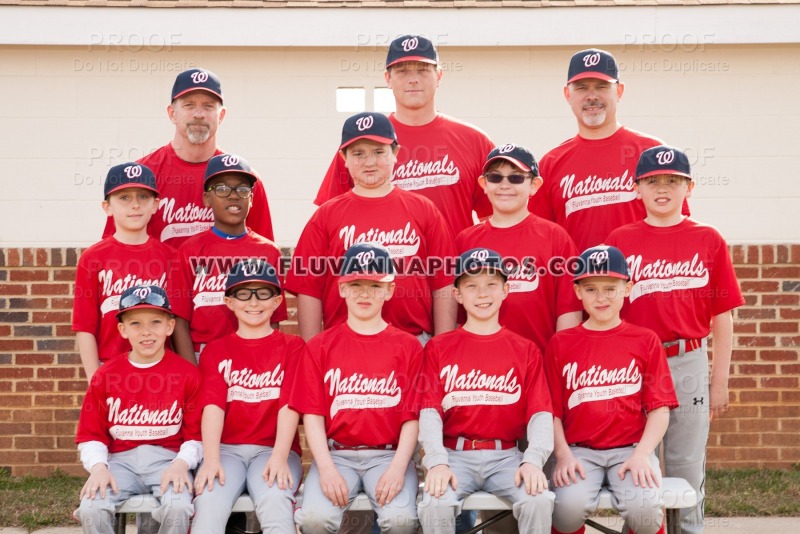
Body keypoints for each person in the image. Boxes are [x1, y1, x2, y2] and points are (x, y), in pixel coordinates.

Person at [606, 146, 745, 534]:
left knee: (685, 461)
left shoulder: (707, 238)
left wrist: (719, 381)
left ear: (689, 187)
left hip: (687, 359)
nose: (662, 188)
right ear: (636, 189)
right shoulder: (620, 239)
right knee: (638, 455)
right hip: (633, 364)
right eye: (652, 181)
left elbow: (722, 316)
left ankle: (689, 530)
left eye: (672, 181)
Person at [285, 111, 456, 343]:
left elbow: (443, 281)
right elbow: (309, 288)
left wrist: (441, 347)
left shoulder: (424, 209)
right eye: (358, 153)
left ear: (395, 153)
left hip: (415, 341)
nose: (369, 162)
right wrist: (313, 350)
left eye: (378, 152)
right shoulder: (326, 215)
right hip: (345, 342)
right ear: (343, 157)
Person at [417, 247, 555, 534]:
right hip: (454, 456)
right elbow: (429, 412)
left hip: (506, 457)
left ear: (505, 290)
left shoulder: (525, 349)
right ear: (457, 295)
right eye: (471, 286)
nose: (482, 294)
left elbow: (541, 414)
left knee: (539, 500)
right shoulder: (439, 347)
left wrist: (532, 460)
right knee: (435, 503)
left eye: (491, 284)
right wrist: (437, 462)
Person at [545, 244, 679, 534]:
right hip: (579, 452)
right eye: (590, 289)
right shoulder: (562, 342)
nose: (601, 297)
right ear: (578, 292)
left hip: (630, 450)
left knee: (644, 512)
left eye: (610, 287)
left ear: (627, 288)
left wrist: (643, 453)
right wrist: (563, 454)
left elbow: (659, 408)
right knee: (566, 510)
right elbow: (550, 411)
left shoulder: (645, 340)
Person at [289, 243, 422, 534]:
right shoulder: (321, 345)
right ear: (342, 288)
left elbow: (412, 417)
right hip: (336, 455)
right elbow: (312, 415)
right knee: (313, 519)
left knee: (401, 522)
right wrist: (325, 468)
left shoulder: (408, 346)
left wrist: (399, 468)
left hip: (389, 455)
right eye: (356, 284)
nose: (365, 293)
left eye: (375, 285)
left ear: (389, 290)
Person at [314, 34, 494, 238]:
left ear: (439, 76)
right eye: (402, 71)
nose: (413, 79)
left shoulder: (475, 141)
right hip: (379, 267)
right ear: (388, 79)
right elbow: (330, 217)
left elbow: (493, 218)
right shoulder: (362, 141)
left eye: (423, 70)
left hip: (452, 267)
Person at [529, 48, 688, 252]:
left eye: (602, 86)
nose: (592, 96)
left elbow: (677, 228)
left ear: (619, 91)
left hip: (643, 280)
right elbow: (542, 239)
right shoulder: (551, 163)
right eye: (581, 88)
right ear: (567, 94)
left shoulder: (651, 152)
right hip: (579, 282)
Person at [74, 285, 202, 534]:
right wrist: (99, 467)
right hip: (119, 462)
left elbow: (197, 435)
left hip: (169, 460)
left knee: (178, 508)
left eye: (155, 322)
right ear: (122, 329)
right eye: (135, 323)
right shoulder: (106, 375)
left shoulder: (187, 374)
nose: (146, 332)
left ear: (170, 326)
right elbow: (91, 434)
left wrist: (181, 464)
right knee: (91, 507)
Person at [102, 67, 274, 248]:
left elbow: (262, 254)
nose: (199, 114)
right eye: (189, 105)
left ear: (221, 115)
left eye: (208, 106)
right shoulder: (140, 176)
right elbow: (112, 253)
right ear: (172, 113)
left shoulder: (244, 179)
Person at [191, 259, 304, 534]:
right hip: (226, 450)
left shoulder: (293, 347)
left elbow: (290, 407)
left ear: (277, 301)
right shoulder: (216, 351)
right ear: (229, 302)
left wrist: (279, 457)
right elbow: (213, 407)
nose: (253, 302)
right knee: (208, 502)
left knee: (275, 499)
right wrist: (212, 458)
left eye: (262, 293)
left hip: (273, 449)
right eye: (243, 293)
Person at [455, 143, 582, 353]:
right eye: (495, 177)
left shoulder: (555, 237)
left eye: (516, 177)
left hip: (540, 363)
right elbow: (459, 315)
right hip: (481, 367)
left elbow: (569, 310)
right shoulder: (466, 240)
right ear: (484, 184)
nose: (505, 185)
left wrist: (558, 360)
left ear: (534, 185)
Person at [171, 154, 286, 363]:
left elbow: (273, 320)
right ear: (207, 198)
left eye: (242, 190)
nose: (233, 196)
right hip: (202, 354)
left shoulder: (268, 252)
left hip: (253, 356)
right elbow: (180, 319)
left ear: (251, 198)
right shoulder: (189, 251)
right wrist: (191, 371)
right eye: (222, 189)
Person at [73, 162, 177, 380]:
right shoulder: (93, 258)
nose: (135, 205)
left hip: (161, 369)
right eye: (124, 198)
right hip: (111, 368)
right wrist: (95, 377)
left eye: (143, 197)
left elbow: (177, 323)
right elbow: (85, 325)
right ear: (107, 207)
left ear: (156, 204)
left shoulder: (171, 257)